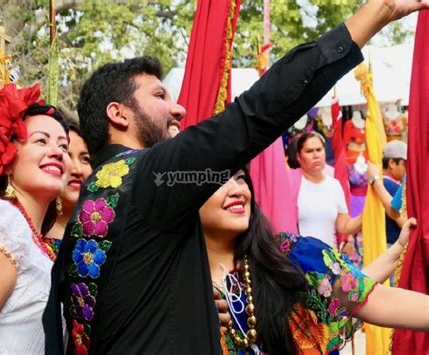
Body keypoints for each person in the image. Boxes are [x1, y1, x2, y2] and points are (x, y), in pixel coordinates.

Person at [43, 1, 429, 353]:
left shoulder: (92, 208)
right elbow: (257, 112)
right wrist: (374, 16)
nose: (178, 109)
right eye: (160, 97)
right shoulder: (148, 179)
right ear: (119, 114)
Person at [200, 168, 428, 354]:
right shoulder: (177, 291)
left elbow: (359, 293)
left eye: (240, 178)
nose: (237, 189)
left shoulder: (289, 255)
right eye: (219, 181)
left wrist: (398, 248)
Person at [0, 84, 72, 354]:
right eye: (41, 141)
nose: (57, 152)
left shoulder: (35, 241)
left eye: (63, 146)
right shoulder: (1, 222)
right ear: (7, 158)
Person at [295, 132, 361, 251]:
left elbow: (344, 226)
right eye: (309, 151)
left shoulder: (334, 185)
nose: (316, 155)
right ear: (299, 157)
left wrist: (367, 214)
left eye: (319, 150)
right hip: (301, 260)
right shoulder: (293, 184)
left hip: (329, 260)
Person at [47, 120, 93, 241]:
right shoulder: (28, 233)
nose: (77, 170)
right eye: (66, 155)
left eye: (85, 159)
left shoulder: (107, 233)